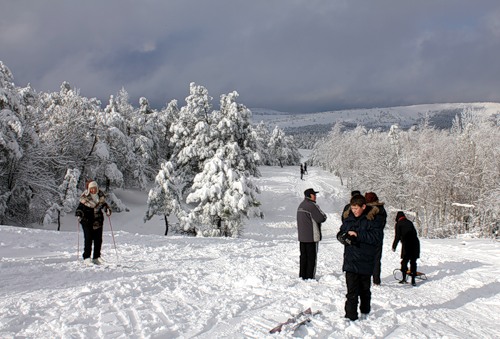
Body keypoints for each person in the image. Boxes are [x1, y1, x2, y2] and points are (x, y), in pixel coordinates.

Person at [337, 194, 383, 321]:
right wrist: (342, 237)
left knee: (364, 291)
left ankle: (365, 313)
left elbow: (376, 237)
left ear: (363, 206)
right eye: (352, 208)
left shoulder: (372, 219)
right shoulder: (348, 219)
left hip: (365, 261)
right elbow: (341, 231)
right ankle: (350, 317)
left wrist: (358, 234)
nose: (354, 211)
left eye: (356, 209)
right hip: (351, 261)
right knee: (351, 292)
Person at [75, 180, 112, 265]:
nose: (93, 190)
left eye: (94, 188)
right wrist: (79, 212)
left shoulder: (100, 197)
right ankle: (87, 257)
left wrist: (107, 210)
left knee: (98, 240)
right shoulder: (85, 198)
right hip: (87, 222)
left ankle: (96, 257)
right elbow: (80, 207)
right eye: (91, 189)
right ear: (88, 189)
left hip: (98, 221)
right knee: (88, 239)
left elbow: (104, 206)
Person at [297, 188, 327, 280]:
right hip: (312, 237)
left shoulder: (301, 205)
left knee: (303, 257)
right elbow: (322, 218)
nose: (315, 196)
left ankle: (302, 275)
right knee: (311, 258)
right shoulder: (312, 206)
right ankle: (310, 277)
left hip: (302, 237)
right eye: (314, 194)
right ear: (310, 196)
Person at [392, 211, 420, 286]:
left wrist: (394, 246)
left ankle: (404, 279)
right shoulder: (409, 222)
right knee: (413, 262)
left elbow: (397, 236)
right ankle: (413, 280)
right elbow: (415, 233)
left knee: (404, 261)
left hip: (407, 244)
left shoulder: (398, 224)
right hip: (415, 243)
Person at [364, 192, 387, 285]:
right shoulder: (382, 209)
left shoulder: (367, 210)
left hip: (368, 236)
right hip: (379, 236)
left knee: (366, 258)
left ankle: (366, 278)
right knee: (377, 259)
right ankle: (376, 280)